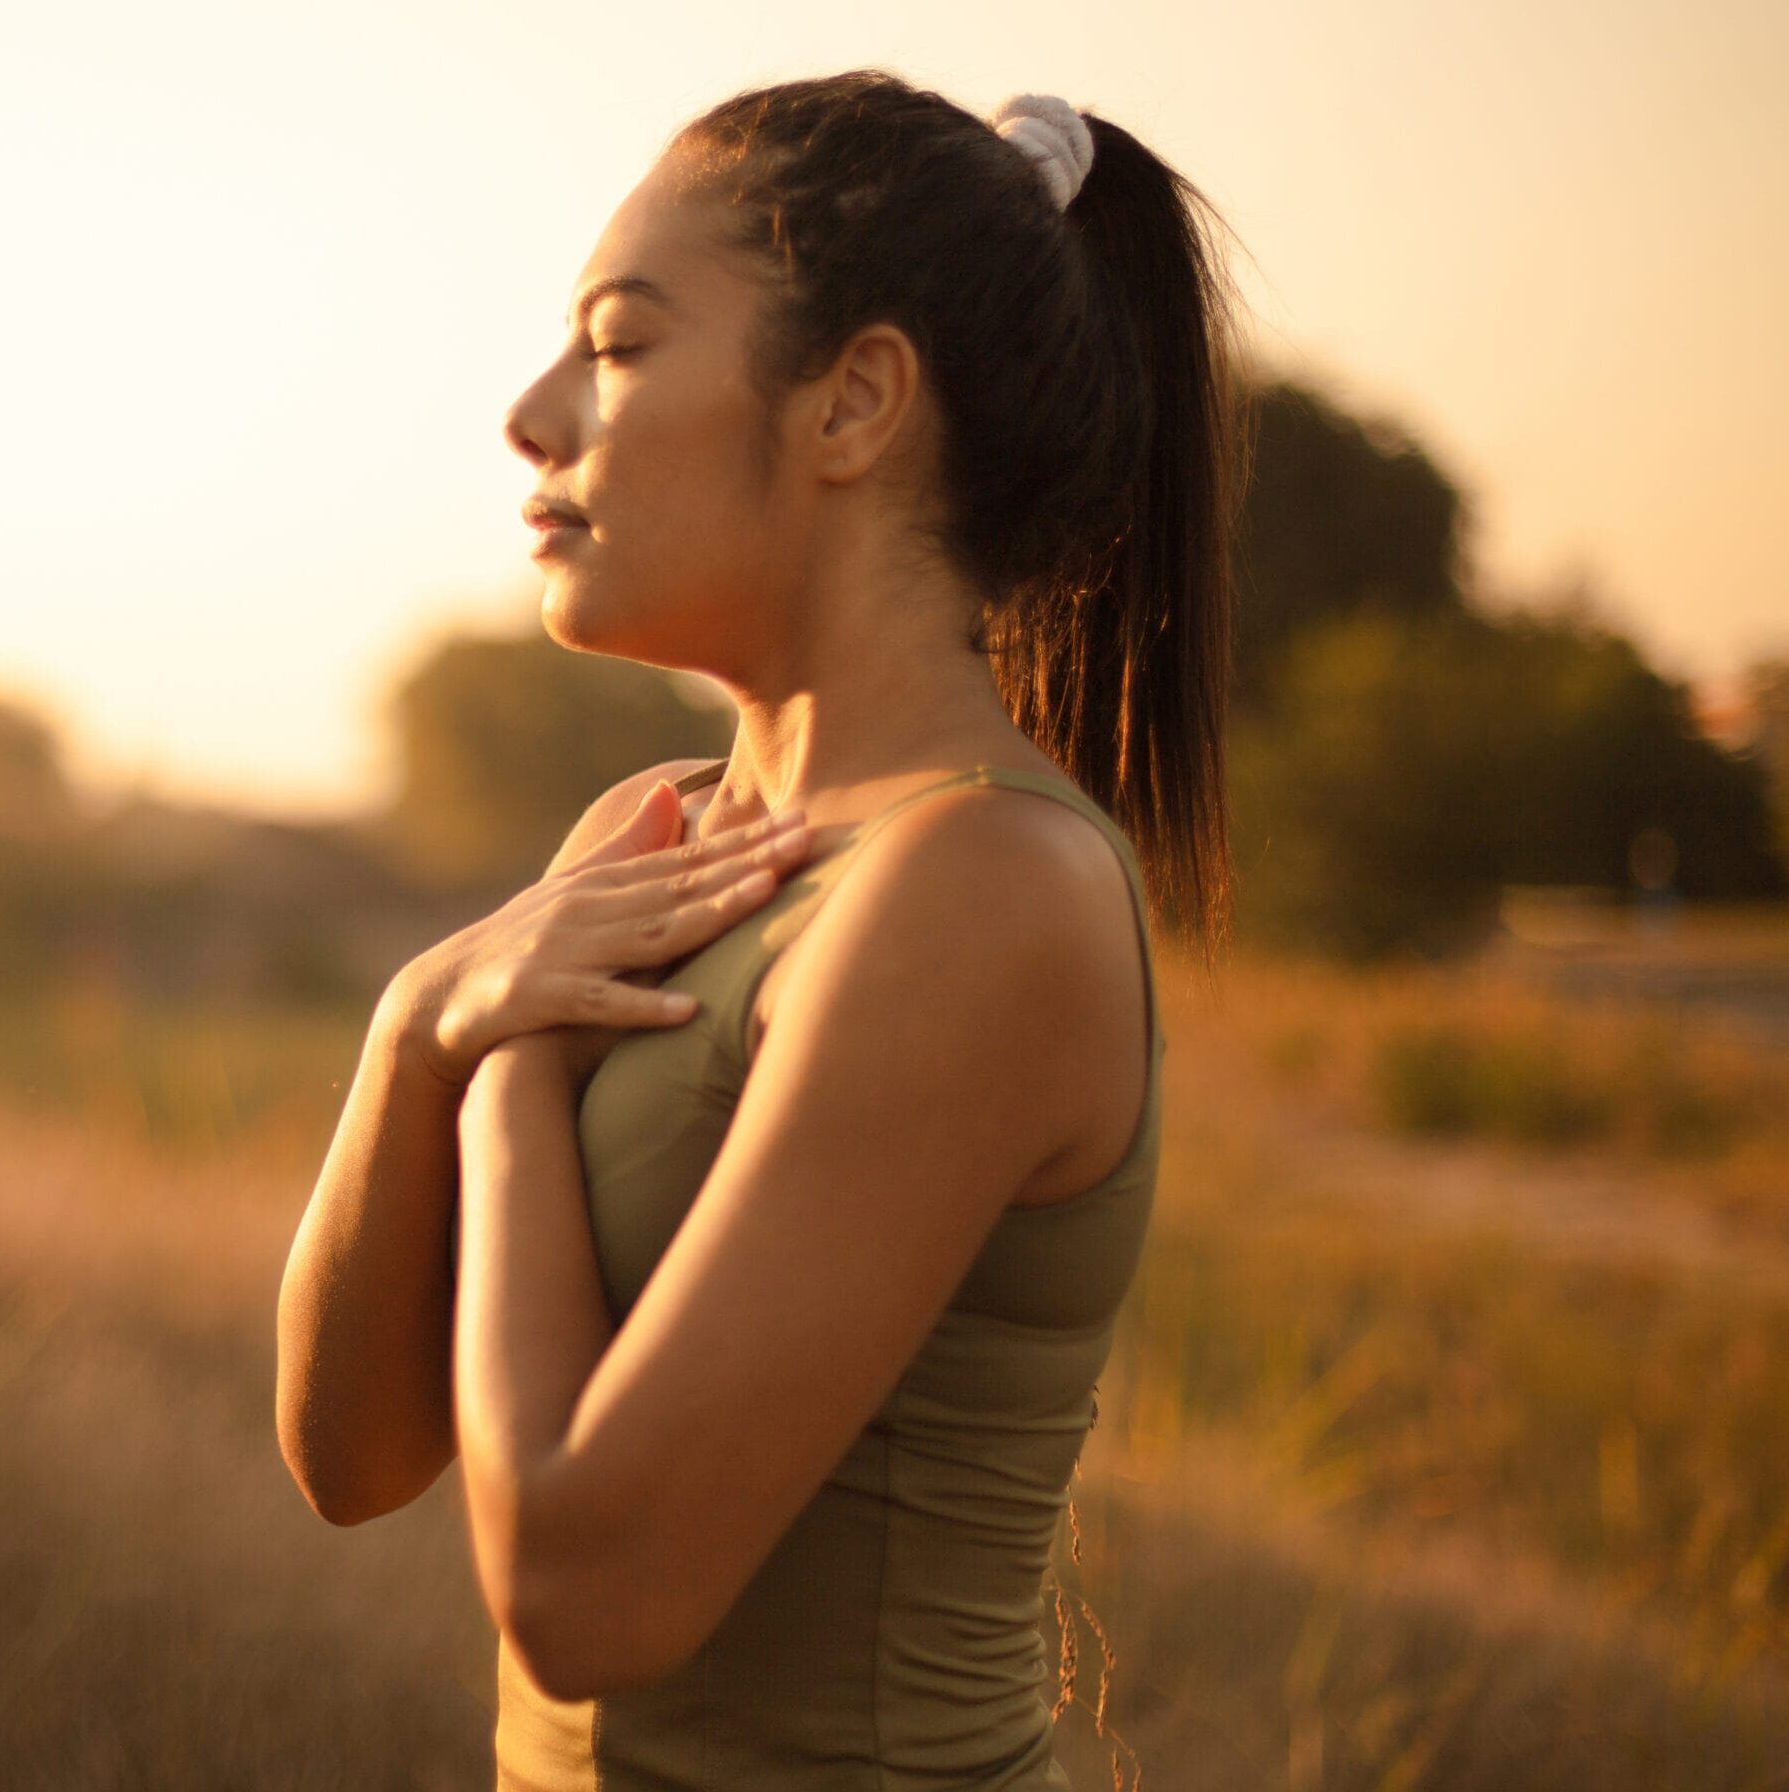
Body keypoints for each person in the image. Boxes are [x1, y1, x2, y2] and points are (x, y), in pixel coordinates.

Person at [276, 68, 1247, 1789]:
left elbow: (583, 1591)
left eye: (621, 344)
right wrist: (423, 1020)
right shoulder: (645, 843)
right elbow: (350, 1459)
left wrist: (504, 1076)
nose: (530, 412)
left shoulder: (981, 886)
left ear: (856, 402)